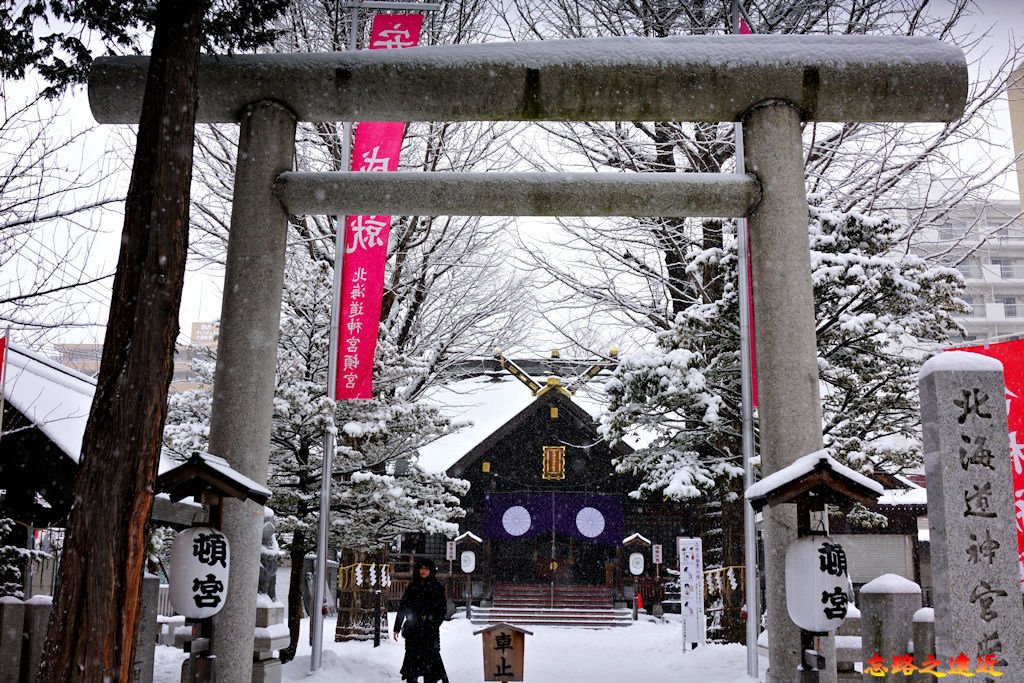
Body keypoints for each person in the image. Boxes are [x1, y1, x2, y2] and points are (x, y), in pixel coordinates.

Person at [393, 557, 449, 683]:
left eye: (426, 569)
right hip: (413, 631)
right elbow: (403, 607)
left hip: (430, 632)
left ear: (431, 571)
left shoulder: (436, 588)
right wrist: (397, 626)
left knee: (431, 670)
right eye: (421, 568)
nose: (423, 571)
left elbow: (441, 610)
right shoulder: (412, 587)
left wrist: (434, 624)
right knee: (412, 668)